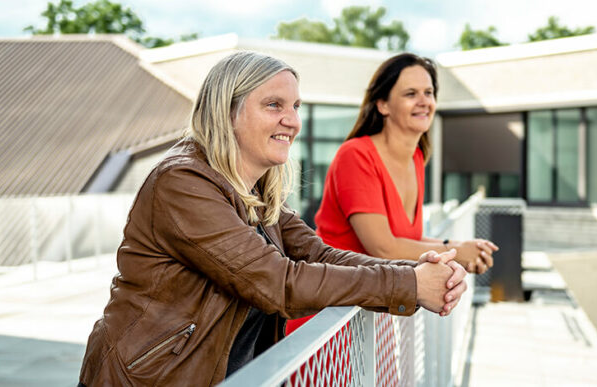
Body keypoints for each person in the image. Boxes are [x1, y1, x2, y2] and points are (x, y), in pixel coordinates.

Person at [77, 51, 467, 386]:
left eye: (295, 107)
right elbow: (277, 282)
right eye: (273, 105)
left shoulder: (255, 189)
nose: (293, 121)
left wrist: (415, 271)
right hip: (154, 377)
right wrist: (410, 284)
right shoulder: (183, 183)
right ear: (228, 110)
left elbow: (319, 254)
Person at [286, 53, 498, 335]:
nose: (424, 101)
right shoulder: (356, 155)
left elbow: (406, 240)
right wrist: (456, 253)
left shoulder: (417, 158)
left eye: (429, 92)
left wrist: (458, 245)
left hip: (376, 318)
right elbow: (383, 247)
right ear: (383, 104)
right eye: (411, 93)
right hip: (328, 323)